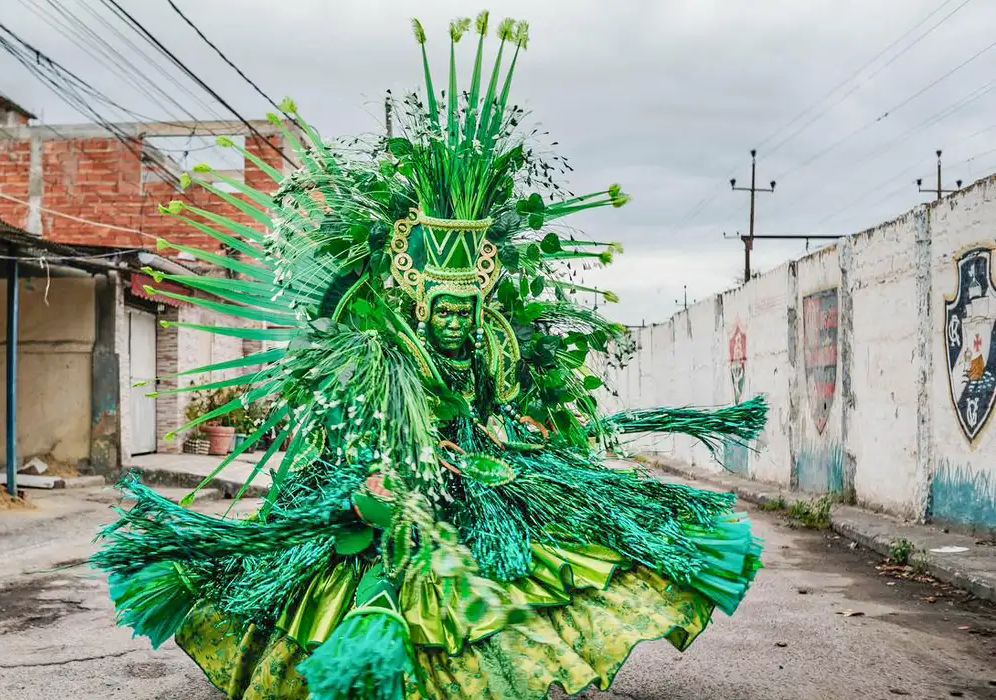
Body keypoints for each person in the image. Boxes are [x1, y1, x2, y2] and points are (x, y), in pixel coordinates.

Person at [93, 12, 767, 699]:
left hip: (475, 474)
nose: (455, 323)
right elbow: (356, 430)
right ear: (418, 302)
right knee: (367, 567)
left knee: (553, 555)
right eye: (444, 310)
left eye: (466, 309)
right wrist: (387, 477)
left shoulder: (492, 345)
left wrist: (515, 434)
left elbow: (497, 408)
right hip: (387, 475)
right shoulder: (381, 351)